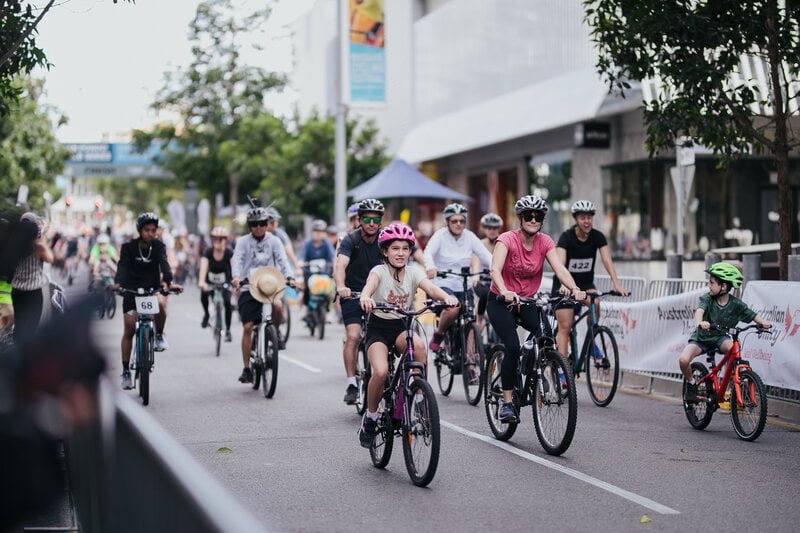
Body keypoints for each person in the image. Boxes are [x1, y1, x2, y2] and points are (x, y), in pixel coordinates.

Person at [357, 223, 458, 447]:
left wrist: (446, 297)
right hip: (378, 329)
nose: (401, 253)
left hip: (402, 327)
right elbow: (369, 286)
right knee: (381, 372)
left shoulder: (414, 272)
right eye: (395, 248)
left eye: (405, 248)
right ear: (385, 251)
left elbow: (430, 288)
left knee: (420, 347)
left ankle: (421, 399)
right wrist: (366, 297)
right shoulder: (379, 271)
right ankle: (371, 417)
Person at [486, 195, 586, 423]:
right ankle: (507, 402)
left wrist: (574, 287)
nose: (533, 219)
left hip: (527, 301)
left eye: (537, 216)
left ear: (542, 219)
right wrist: (504, 290)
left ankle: (537, 368)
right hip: (501, 301)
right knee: (512, 345)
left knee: (547, 336)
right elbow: (495, 270)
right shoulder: (506, 239)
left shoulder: (545, 242)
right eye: (528, 215)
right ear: (520, 218)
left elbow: (560, 268)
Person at [679, 262, 771, 402]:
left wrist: (762, 322)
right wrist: (699, 322)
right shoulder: (707, 299)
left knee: (734, 349)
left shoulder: (736, 304)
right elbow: (700, 311)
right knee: (683, 360)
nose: (708, 286)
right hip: (701, 339)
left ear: (723, 286)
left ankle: (738, 383)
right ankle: (691, 384)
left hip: (720, 338)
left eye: (711, 283)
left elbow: (751, 314)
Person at [113, 212, 183, 390]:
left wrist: (169, 281)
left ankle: (159, 334)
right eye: (147, 230)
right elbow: (122, 266)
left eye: (153, 230)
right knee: (128, 330)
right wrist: (118, 283)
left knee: (160, 305)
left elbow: (164, 263)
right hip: (131, 291)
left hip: (151, 289)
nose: (151, 234)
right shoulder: (129, 247)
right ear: (140, 230)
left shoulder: (159, 246)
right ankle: (126, 371)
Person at [552, 200, 629, 359]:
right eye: (582, 218)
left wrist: (617, 285)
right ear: (575, 220)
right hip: (564, 286)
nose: (586, 221)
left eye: (589, 217)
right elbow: (560, 264)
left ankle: (591, 341)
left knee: (596, 302)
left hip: (586, 285)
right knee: (565, 327)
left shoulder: (597, 236)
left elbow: (607, 261)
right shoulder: (566, 237)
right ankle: (563, 373)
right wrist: (563, 285)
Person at [232, 206, 296, 383]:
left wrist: (290, 276)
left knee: (277, 306)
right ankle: (246, 368)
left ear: (267, 224)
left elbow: (283, 260)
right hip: (248, 287)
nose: (258, 227)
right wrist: (236, 277)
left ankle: (273, 333)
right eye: (254, 224)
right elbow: (237, 260)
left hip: (270, 286)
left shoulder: (275, 241)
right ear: (249, 226)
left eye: (262, 223)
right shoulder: (243, 242)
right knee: (247, 327)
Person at [333, 198, 385, 405]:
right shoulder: (350, 240)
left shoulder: (385, 240)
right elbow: (340, 266)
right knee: (353, 336)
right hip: (352, 294)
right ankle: (352, 383)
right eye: (366, 218)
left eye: (376, 219)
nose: (371, 223)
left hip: (378, 296)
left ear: (380, 221)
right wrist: (340, 287)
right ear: (359, 220)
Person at [423, 203, 492, 354]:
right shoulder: (440, 236)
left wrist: (496, 269)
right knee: (453, 309)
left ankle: (471, 362)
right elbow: (427, 253)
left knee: (470, 318)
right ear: (447, 222)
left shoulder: (469, 236)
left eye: (462, 221)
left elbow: (485, 255)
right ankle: (439, 334)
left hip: (464, 283)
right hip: (443, 282)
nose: (459, 224)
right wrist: (431, 267)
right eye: (454, 221)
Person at [10, 213, 54, 349]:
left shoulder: (12, 243)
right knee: (31, 327)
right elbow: (50, 259)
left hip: (16, 290)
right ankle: (23, 358)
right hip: (33, 292)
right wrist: (43, 240)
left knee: (19, 326)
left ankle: (16, 354)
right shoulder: (38, 246)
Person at [198, 226, 234, 342]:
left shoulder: (229, 253)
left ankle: (228, 330)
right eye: (215, 239)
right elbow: (203, 267)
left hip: (225, 282)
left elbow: (234, 268)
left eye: (220, 239)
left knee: (228, 302)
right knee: (203, 293)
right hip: (211, 281)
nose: (217, 242)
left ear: (225, 240)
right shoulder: (208, 252)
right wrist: (202, 282)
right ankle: (206, 315)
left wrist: (235, 282)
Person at [298, 219, 336, 321]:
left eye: (320, 231)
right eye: (316, 231)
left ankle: (328, 311)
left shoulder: (327, 243)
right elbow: (301, 256)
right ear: (312, 232)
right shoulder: (307, 244)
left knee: (330, 289)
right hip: (309, 272)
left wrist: (334, 265)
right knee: (306, 288)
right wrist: (301, 263)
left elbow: (333, 257)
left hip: (324, 272)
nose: (318, 234)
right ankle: (305, 307)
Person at [475, 212, 503, 330]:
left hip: (499, 280)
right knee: (485, 294)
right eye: (489, 228)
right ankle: (479, 320)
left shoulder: (503, 243)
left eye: (495, 228)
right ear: (485, 229)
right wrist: (475, 275)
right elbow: (475, 261)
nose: (492, 231)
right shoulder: (479, 244)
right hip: (482, 281)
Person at [265, 206, 301, 275]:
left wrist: (297, 267)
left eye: (275, 222)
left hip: (279, 267)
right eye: (272, 223)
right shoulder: (259, 234)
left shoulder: (279, 234)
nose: (275, 224)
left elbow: (289, 252)